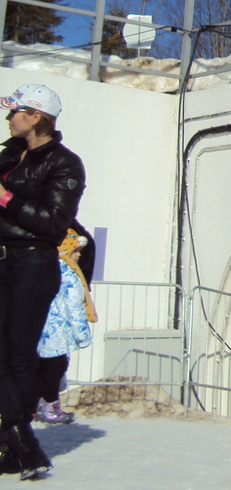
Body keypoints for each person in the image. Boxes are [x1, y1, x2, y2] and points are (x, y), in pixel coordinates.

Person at [0, 83, 85, 480]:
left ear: (36, 117)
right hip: (3, 262)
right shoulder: (9, 155)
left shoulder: (65, 163)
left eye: (15, 111)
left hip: (31, 265)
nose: (8, 117)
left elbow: (53, 223)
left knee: (18, 356)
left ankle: (24, 448)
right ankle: (18, 447)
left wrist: (6, 199)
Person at [34, 227, 96, 425]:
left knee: (40, 369)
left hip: (41, 331)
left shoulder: (43, 268)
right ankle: (51, 407)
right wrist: (83, 335)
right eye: (76, 251)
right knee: (56, 369)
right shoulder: (68, 274)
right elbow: (74, 307)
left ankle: (32, 407)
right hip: (57, 333)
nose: (78, 256)